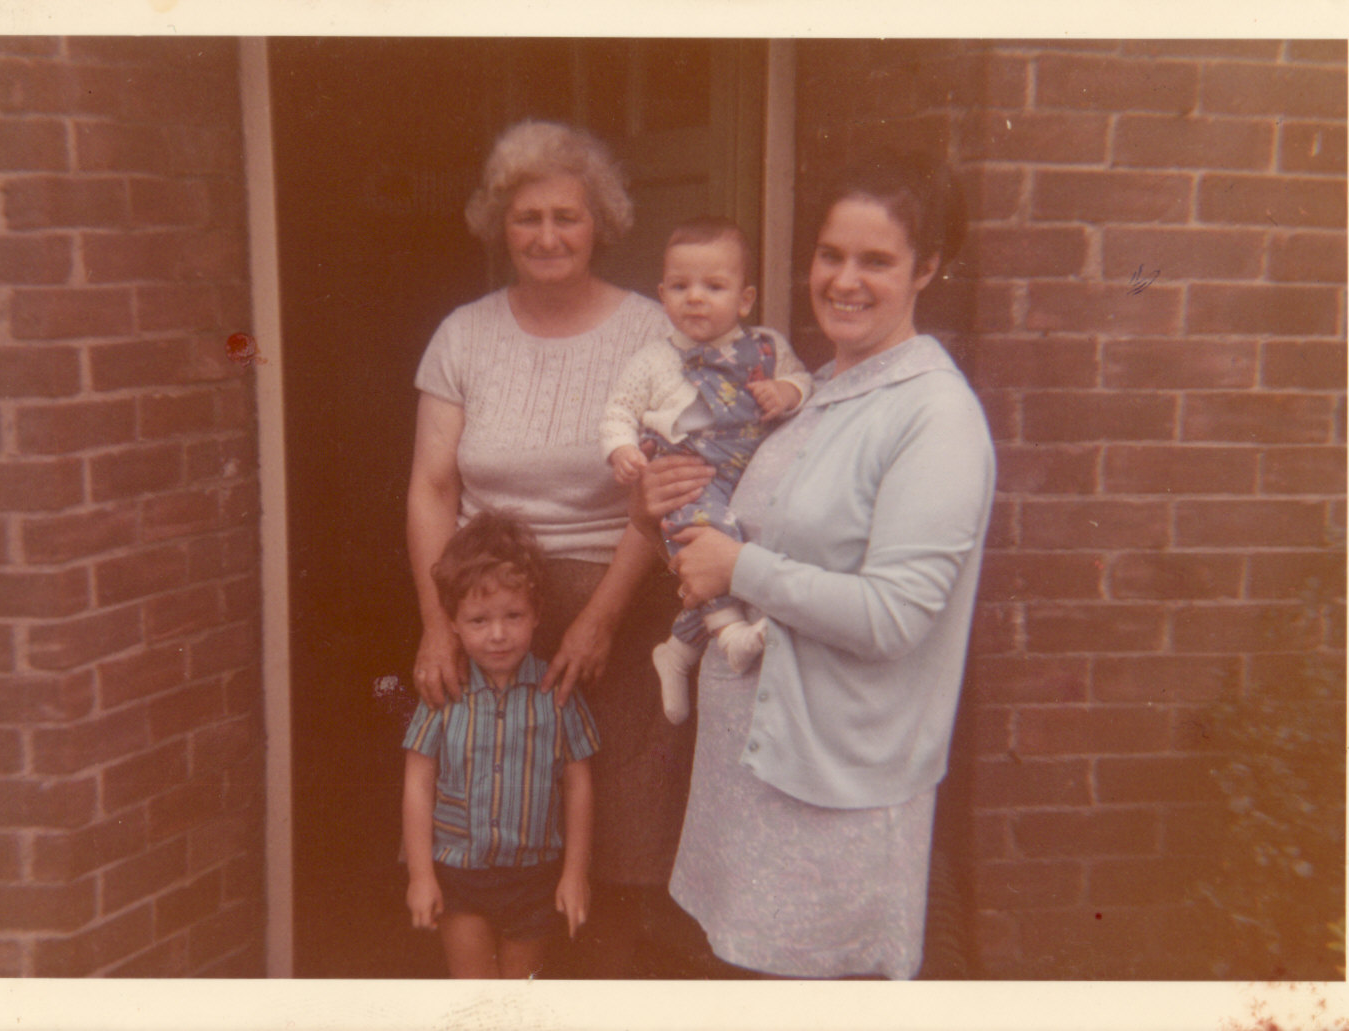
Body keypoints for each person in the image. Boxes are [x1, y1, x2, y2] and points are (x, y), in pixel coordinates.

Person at [638, 148, 995, 980]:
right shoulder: (819, 387)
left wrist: (739, 568)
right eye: (831, 255)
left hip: (834, 789)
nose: (845, 280)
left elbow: (896, 617)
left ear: (928, 268)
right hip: (753, 775)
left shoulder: (934, 415)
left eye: (877, 260)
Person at [407, 119, 695, 976]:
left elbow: (661, 486)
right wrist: (435, 623)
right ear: (501, 224)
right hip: (491, 611)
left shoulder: (651, 332)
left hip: (617, 592)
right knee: (488, 821)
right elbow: (432, 487)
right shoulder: (463, 334)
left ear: (599, 222)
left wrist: (603, 617)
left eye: (566, 217)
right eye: (527, 217)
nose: (546, 236)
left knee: (617, 825)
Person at [599, 216, 812, 724]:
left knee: (743, 552)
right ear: (662, 294)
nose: (695, 298)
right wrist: (621, 449)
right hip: (691, 481)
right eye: (680, 286)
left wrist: (784, 393)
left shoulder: (767, 348)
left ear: (744, 299)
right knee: (710, 544)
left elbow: (805, 382)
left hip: (750, 479)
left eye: (713, 286)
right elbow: (617, 411)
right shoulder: (653, 360)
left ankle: (678, 649)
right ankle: (729, 636)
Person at [401, 511, 598, 978]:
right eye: (478, 619)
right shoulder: (443, 695)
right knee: (476, 1000)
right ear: (451, 623)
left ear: (536, 615)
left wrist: (574, 874)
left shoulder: (557, 694)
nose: (497, 633)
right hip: (459, 876)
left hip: (534, 876)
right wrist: (421, 876)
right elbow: (417, 784)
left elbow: (578, 787)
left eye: (513, 616)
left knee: (517, 1005)